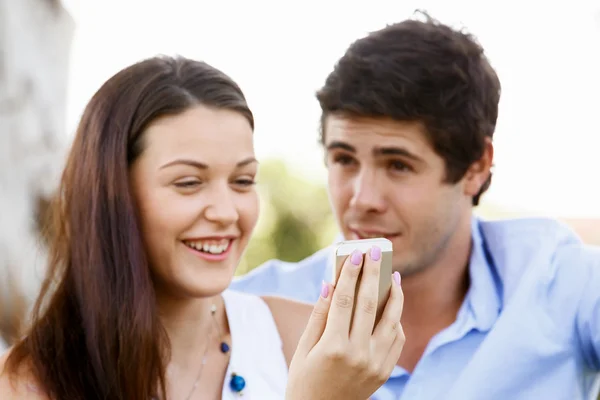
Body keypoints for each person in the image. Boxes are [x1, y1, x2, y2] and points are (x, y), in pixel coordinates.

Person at [230, 12, 600, 400]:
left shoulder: (557, 280)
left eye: (398, 165)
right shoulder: (251, 308)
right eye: (344, 159)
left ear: (476, 166)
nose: (362, 199)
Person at [0, 55, 406, 400]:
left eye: (243, 181)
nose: (227, 212)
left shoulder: (311, 342)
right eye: (189, 183)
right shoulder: (27, 383)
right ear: (112, 196)